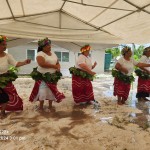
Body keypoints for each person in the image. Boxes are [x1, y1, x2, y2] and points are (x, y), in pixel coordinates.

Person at [29, 37, 65, 111]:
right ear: (42, 47)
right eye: (47, 45)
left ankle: (50, 106)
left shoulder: (53, 54)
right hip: (43, 76)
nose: (49, 46)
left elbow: (57, 62)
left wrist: (58, 67)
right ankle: (41, 106)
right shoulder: (40, 54)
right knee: (42, 91)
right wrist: (53, 66)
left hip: (52, 76)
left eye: (49, 45)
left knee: (51, 91)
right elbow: (41, 64)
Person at [0, 35, 31, 118]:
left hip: (5, 79)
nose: (5, 46)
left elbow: (16, 64)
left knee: (9, 96)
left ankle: (2, 112)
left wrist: (25, 62)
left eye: (5, 44)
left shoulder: (7, 56)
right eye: (3, 44)